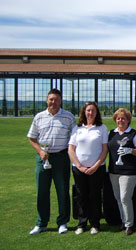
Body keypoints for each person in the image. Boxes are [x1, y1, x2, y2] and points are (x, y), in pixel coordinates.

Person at [27, 89, 76, 235]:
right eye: (51, 99)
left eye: (56, 99)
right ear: (47, 100)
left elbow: (75, 137)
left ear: (60, 101)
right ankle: (41, 223)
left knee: (62, 191)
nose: (53, 102)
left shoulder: (68, 117)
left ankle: (63, 222)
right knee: (42, 191)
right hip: (43, 158)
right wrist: (41, 151)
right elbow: (32, 138)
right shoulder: (39, 117)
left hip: (61, 157)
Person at [68, 102, 108, 235]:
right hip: (79, 168)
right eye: (88, 110)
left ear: (97, 113)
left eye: (93, 111)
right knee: (81, 195)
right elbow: (71, 149)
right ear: (84, 112)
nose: (90, 113)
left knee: (95, 196)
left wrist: (96, 165)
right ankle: (82, 223)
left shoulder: (101, 128)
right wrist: (79, 166)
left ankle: (95, 224)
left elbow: (104, 150)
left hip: (97, 168)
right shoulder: (77, 128)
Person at [108, 108, 136, 236]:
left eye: (123, 118)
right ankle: (123, 221)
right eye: (118, 118)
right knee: (118, 198)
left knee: (124, 197)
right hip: (114, 170)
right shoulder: (111, 133)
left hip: (129, 171)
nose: (120, 120)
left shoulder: (133, 133)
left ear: (128, 120)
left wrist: (130, 151)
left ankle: (129, 224)